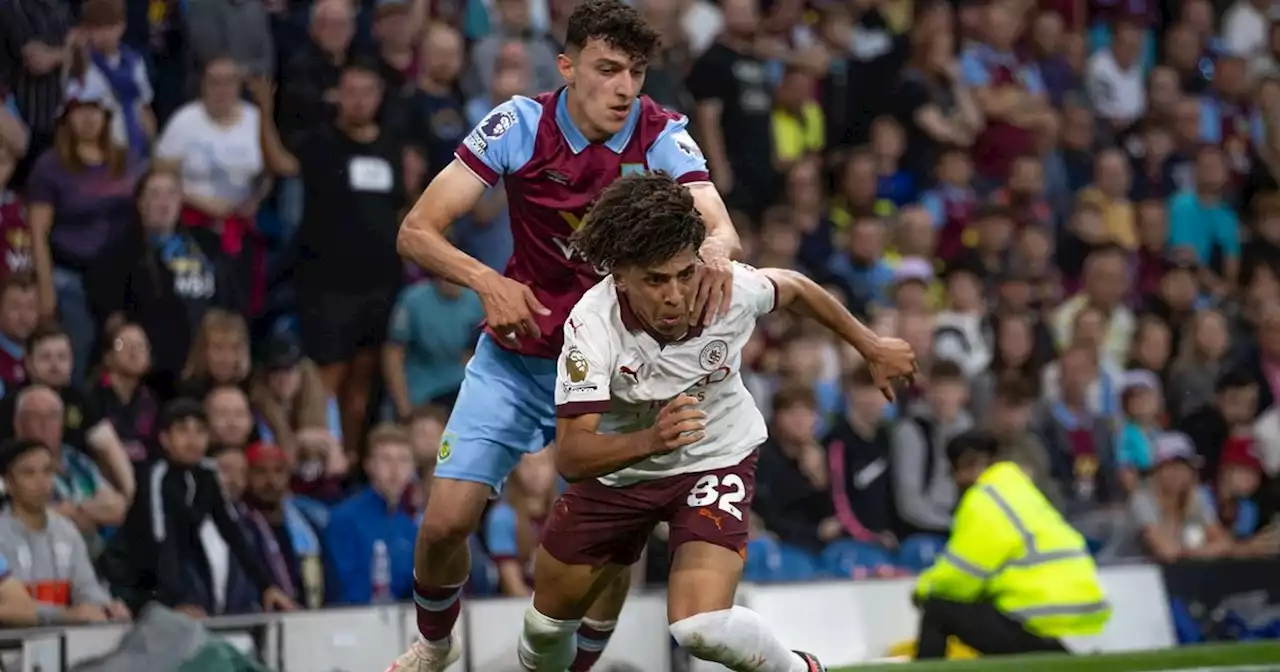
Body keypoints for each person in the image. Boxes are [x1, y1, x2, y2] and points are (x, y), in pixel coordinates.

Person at [391, 0, 740, 669]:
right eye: (608, 69)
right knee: (443, 524)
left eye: (636, 72)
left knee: (607, 555)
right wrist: (487, 282)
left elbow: (717, 223)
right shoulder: (519, 124)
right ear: (567, 65)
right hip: (519, 359)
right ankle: (435, 648)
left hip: (613, 373)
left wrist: (718, 252)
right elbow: (416, 230)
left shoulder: (662, 132)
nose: (625, 88)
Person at [516, 171, 917, 672]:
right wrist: (653, 438)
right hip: (619, 474)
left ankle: (799, 670)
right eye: (655, 280)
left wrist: (871, 346)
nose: (675, 295)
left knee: (699, 627)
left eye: (684, 274)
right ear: (620, 276)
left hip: (716, 456)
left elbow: (792, 288)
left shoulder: (725, 291)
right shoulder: (591, 327)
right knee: (543, 632)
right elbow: (573, 457)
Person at [912, 430, 1111, 659]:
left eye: (953, 472)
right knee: (987, 610)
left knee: (938, 608)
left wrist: (923, 589)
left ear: (967, 465)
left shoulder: (984, 499)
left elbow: (962, 575)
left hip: (1040, 619)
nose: (956, 482)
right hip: (1080, 622)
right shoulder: (1021, 491)